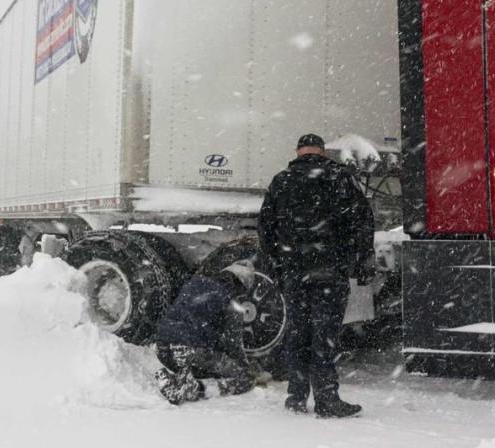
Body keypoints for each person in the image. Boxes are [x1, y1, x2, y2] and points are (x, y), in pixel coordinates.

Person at [258, 133, 374, 418]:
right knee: (325, 335)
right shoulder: (341, 178)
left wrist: (275, 265)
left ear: (298, 152)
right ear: (322, 153)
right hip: (329, 271)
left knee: (297, 332)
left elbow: (266, 228)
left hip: (294, 273)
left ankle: (296, 396)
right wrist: (361, 261)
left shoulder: (281, 181)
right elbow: (362, 221)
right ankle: (326, 399)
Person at [154, 260, 258, 405]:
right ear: (239, 285)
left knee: (207, 367)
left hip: (163, 350)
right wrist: (243, 366)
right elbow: (232, 343)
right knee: (244, 378)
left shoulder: (194, 283)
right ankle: (195, 388)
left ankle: (180, 378)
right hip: (193, 351)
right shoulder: (231, 303)